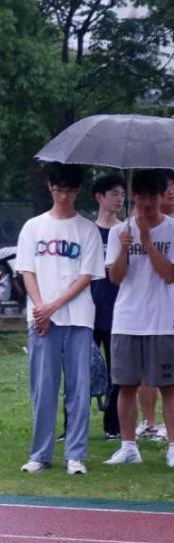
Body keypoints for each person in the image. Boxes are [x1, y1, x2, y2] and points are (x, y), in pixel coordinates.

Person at [16, 162, 104, 476]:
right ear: (50, 188)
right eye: (58, 189)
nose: (63, 196)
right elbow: (27, 270)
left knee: (79, 388)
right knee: (43, 388)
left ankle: (75, 454)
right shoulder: (33, 227)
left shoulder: (87, 230)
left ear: (78, 191)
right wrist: (40, 308)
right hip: (42, 320)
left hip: (78, 318)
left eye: (69, 190)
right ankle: (40, 454)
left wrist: (52, 306)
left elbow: (86, 276)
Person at [103, 169, 174, 469]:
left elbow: (169, 274)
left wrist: (146, 242)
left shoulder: (171, 229)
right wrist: (125, 249)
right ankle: (128, 446)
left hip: (163, 319)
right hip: (127, 319)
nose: (147, 203)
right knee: (126, 385)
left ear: (161, 197)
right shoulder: (119, 232)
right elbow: (115, 277)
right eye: (141, 196)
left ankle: (173, 447)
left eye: (152, 197)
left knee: (168, 386)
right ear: (134, 197)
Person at [133, 169, 174, 442]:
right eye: (167, 186)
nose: (170, 191)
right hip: (146, 310)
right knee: (145, 371)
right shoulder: (132, 226)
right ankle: (148, 422)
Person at [89, 173, 126, 440]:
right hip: (88, 311)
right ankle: (72, 425)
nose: (119, 199)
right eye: (114, 193)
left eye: (123, 194)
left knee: (118, 373)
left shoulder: (126, 232)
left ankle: (113, 426)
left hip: (118, 312)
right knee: (81, 370)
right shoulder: (86, 232)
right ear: (99, 197)